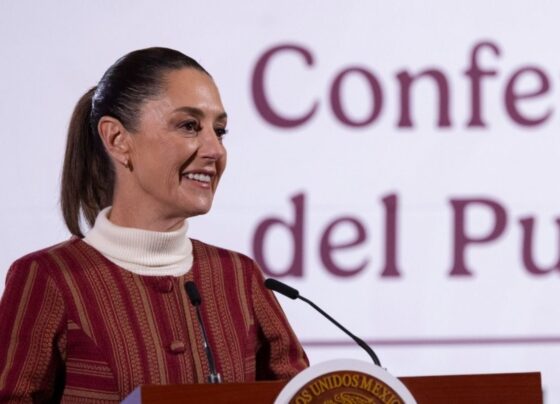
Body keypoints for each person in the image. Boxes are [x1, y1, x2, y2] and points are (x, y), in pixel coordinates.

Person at [0, 47, 308, 402]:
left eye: (220, 131)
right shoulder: (48, 278)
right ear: (117, 140)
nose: (215, 150)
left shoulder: (239, 277)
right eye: (189, 126)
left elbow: (304, 395)